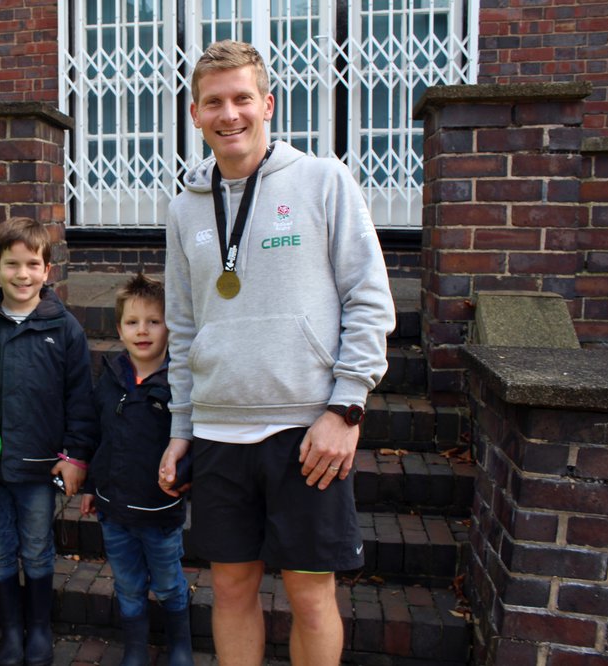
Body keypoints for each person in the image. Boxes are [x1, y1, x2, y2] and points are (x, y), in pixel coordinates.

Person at [157, 40, 396, 666]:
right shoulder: (184, 209)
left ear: (267, 104)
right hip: (216, 431)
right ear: (195, 113)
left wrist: (346, 410)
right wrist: (182, 428)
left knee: (310, 593)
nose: (229, 113)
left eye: (241, 98)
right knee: (231, 586)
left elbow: (369, 299)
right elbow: (182, 327)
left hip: (307, 431)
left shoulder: (323, 180)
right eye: (214, 102)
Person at [0, 216, 97, 666]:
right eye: (11, 264)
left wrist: (75, 455)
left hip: (40, 465)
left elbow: (80, 399)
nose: (21, 274)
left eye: (31, 264)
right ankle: (11, 631)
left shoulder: (64, 328)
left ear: (48, 271)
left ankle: (39, 629)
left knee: (37, 545)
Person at [80, 273, 193, 666]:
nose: (142, 331)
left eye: (153, 322)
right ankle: (135, 648)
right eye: (132, 322)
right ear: (119, 328)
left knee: (167, 583)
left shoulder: (178, 382)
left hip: (160, 512)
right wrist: (93, 486)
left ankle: (180, 644)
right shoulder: (111, 378)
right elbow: (100, 437)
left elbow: (190, 442)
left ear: (169, 328)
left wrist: (184, 478)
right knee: (128, 585)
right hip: (115, 512)